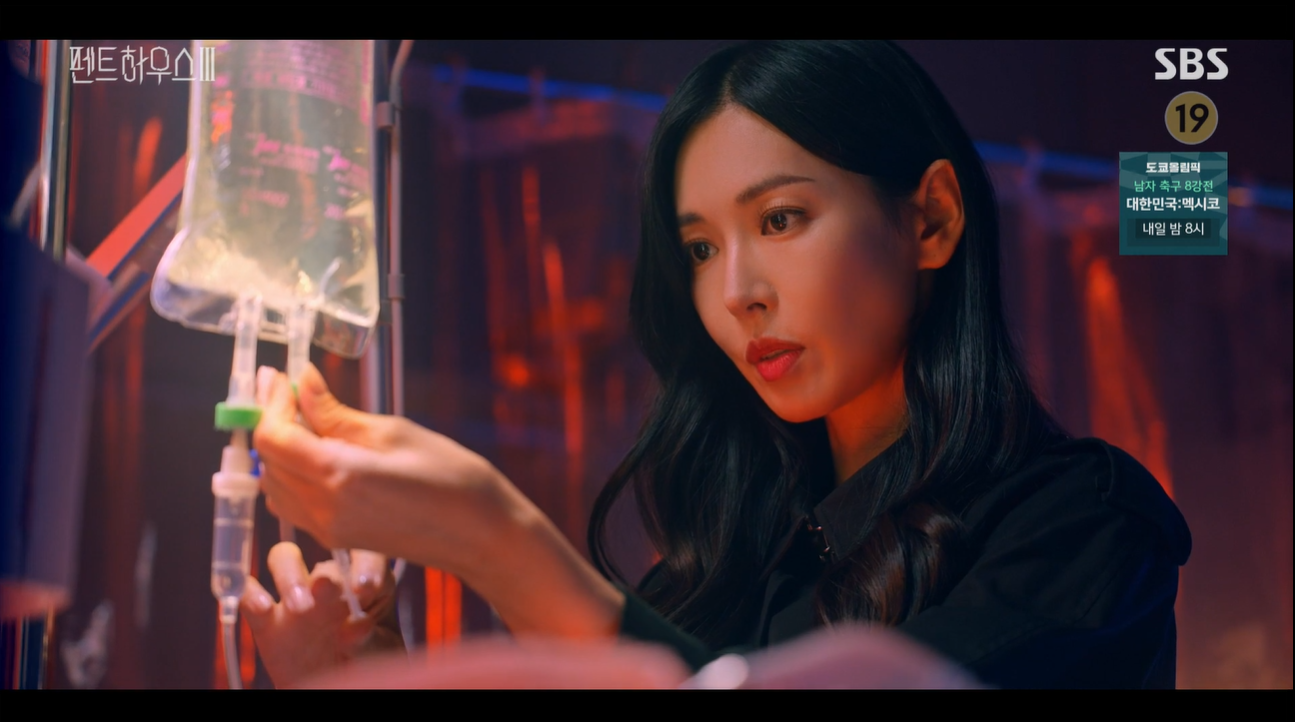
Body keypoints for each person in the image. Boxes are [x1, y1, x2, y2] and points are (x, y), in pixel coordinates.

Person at [242, 40, 1191, 689]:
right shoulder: (717, 577)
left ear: (930, 220)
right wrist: (368, 673)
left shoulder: (1081, 523)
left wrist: (498, 541)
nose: (736, 292)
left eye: (780, 219)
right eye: (699, 248)